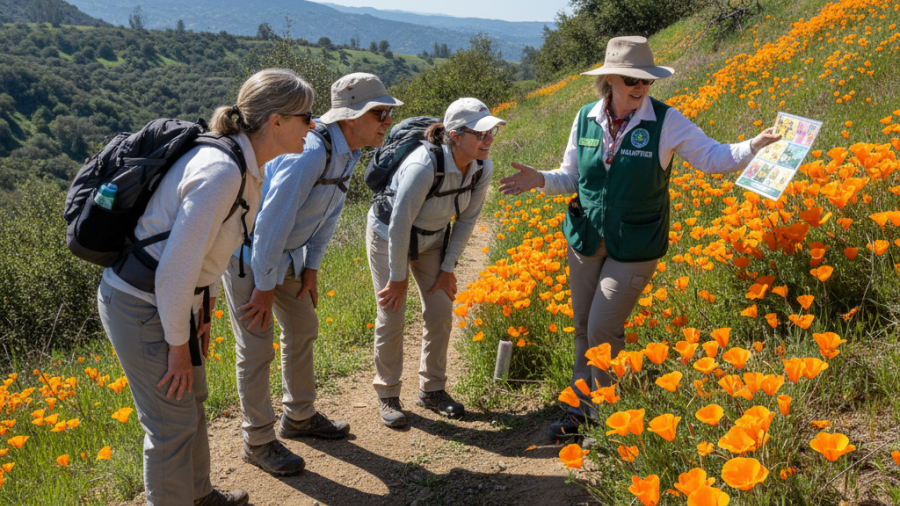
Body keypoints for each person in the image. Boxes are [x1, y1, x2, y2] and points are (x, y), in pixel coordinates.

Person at [498, 36, 781, 439]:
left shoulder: (666, 121)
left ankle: (604, 413)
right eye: (632, 79)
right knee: (582, 327)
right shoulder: (585, 118)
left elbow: (713, 158)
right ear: (610, 78)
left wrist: (754, 145)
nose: (641, 87)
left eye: (646, 81)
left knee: (601, 328)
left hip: (635, 245)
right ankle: (580, 408)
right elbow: (573, 176)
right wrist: (540, 180)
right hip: (585, 237)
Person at [97, 68, 315, 506]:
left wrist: (204, 312)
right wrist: (178, 346)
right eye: (307, 116)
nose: (314, 125)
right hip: (140, 302)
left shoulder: (247, 167)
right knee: (170, 424)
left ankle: (199, 496)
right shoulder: (220, 172)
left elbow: (209, 254)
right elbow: (173, 271)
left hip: (176, 300)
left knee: (193, 401)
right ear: (276, 121)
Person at [222, 73, 403, 475]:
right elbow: (268, 225)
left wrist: (313, 268)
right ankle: (257, 440)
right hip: (252, 260)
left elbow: (329, 214)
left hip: (287, 258)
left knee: (303, 327)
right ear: (351, 116)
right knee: (256, 349)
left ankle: (298, 417)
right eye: (380, 112)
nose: (386, 120)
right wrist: (264, 288)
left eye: (388, 112)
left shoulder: (349, 151)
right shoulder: (310, 153)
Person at [368, 98, 504, 427]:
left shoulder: (481, 166)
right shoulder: (422, 166)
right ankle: (387, 394)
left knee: (441, 309)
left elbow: (468, 220)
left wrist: (447, 270)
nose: (488, 140)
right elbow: (399, 224)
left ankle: (433, 389)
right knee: (392, 312)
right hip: (389, 237)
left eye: (492, 132)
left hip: (433, 240)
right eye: (481, 134)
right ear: (456, 135)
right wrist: (398, 278)